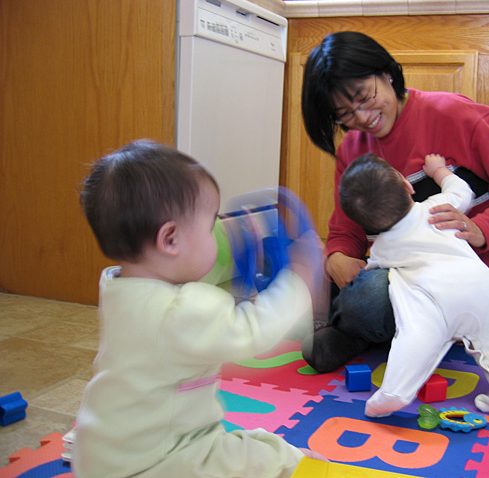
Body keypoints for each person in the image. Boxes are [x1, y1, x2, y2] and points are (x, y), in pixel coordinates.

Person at [74, 140, 326, 478]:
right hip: (161, 459)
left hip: (103, 454)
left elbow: (198, 311)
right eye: (210, 227)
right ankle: (296, 465)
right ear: (171, 240)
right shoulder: (179, 312)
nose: (218, 235)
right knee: (263, 453)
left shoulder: (120, 288)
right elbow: (253, 332)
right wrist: (298, 284)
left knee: (240, 440)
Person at [300, 31, 489, 373]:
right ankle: (365, 327)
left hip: (462, 280)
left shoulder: (458, 116)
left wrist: (482, 228)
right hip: (400, 275)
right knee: (325, 279)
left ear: (386, 73)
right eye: (344, 114)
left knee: (368, 298)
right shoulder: (352, 149)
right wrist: (337, 259)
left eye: (364, 96)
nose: (361, 117)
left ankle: (359, 332)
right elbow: (346, 229)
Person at [339, 152, 489, 417]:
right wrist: (439, 171)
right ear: (407, 185)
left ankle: (393, 393)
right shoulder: (437, 208)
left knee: (414, 340)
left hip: (435, 304)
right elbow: (462, 190)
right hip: (482, 289)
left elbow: (373, 268)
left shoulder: (382, 246)